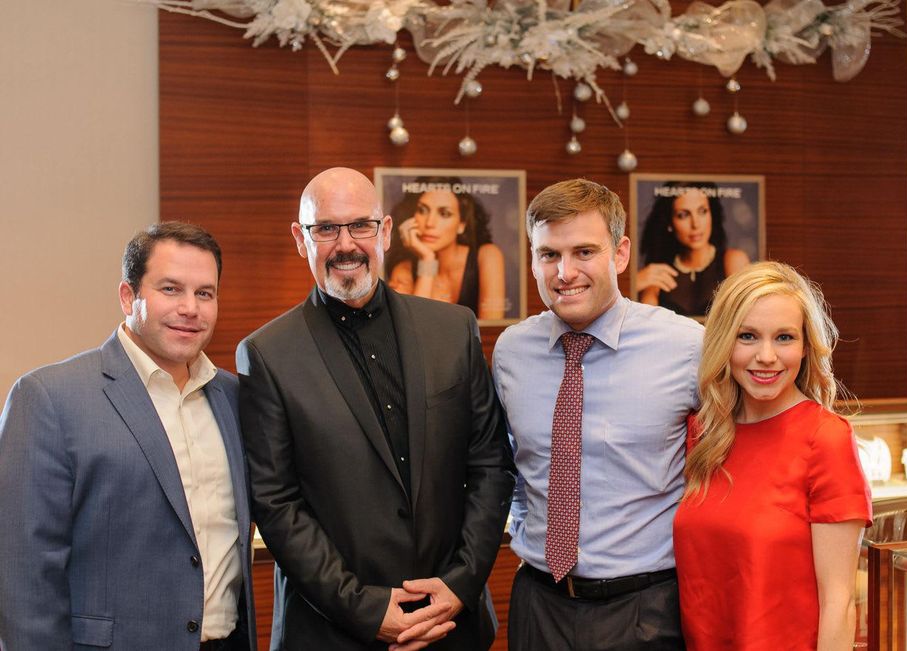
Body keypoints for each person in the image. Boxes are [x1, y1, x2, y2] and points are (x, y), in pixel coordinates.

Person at [236, 167, 515, 651]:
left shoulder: (453, 331)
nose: (345, 244)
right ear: (301, 240)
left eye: (359, 225)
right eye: (325, 229)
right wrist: (365, 608)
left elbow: (490, 465)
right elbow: (276, 504)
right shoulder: (266, 355)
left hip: (451, 625)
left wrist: (459, 583)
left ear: (384, 232)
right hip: (333, 632)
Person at [0, 222, 256, 650]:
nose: (190, 308)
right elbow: (22, 574)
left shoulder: (235, 398)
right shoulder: (48, 398)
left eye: (204, 293)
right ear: (128, 296)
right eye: (171, 289)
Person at [493, 178, 703, 650]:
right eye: (549, 255)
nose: (565, 271)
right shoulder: (511, 351)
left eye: (584, 251)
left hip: (645, 609)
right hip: (538, 603)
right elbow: (508, 466)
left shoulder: (686, 347)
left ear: (621, 253)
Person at [673, 261, 871, 650]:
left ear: (805, 346)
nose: (766, 356)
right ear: (724, 343)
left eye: (784, 337)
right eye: (747, 336)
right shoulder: (703, 432)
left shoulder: (825, 438)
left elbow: (839, 602)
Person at [386, 176, 506, 320]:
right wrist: (427, 260)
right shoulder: (404, 269)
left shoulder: (487, 255)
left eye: (444, 213)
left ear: (462, 224)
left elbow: (493, 327)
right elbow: (412, 330)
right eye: (422, 210)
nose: (430, 223)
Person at [636, 181, 750, 316]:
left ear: (711, 215)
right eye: (683, 215)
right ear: (670, 223)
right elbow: (647, 327)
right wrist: (635, 281)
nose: (695, 224)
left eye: (702, 211)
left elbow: (746, 319)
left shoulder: (733, 260)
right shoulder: (657, 275)